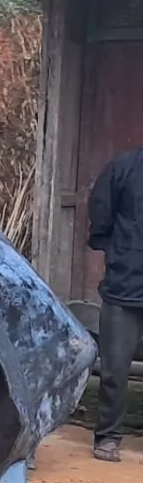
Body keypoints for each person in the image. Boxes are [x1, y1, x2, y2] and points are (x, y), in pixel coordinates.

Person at [87, 146, 143, 463]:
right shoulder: (124, 167)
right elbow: (102, 213)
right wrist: (118, 254)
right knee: (114, 370)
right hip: (125, 286)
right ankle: (108, 436)